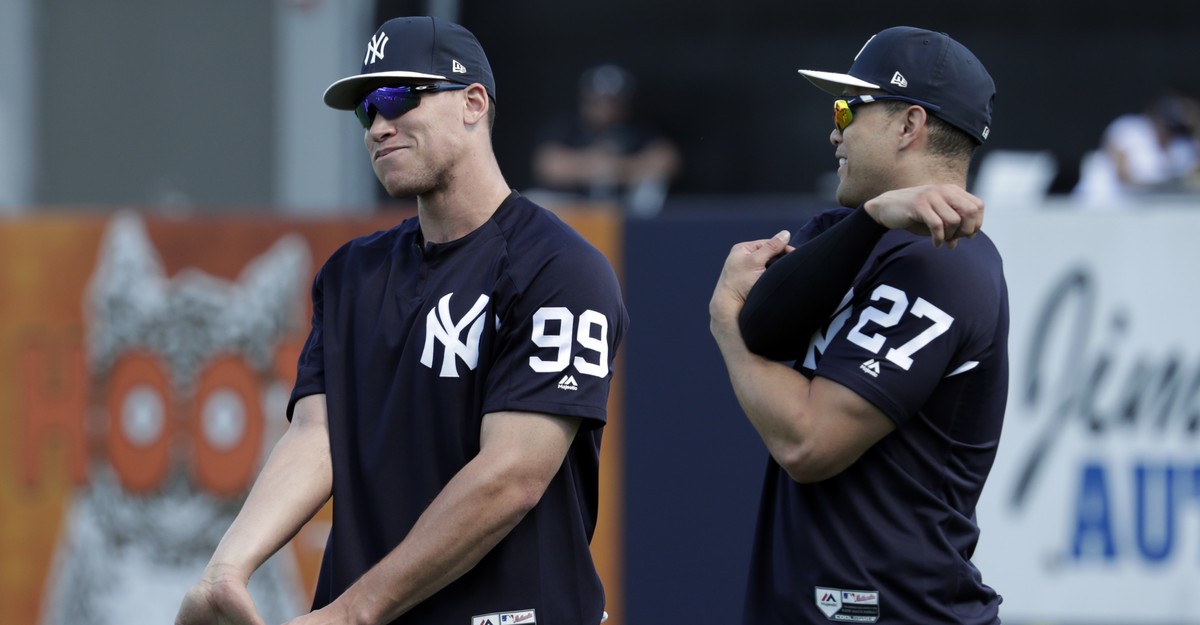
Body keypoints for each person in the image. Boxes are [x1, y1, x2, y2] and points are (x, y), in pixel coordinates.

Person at [175, 15, 626, 625]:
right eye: (367, 108)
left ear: (472, 103)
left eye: (398, 96)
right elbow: (317, 437)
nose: (378, 126)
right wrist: (225, 570)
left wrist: (353, 612)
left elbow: (510, 477)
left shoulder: (561, 268)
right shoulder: (349, 273)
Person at [708, 27, 1008, 624]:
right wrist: (872, 217)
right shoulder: (849, 233)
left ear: (909, 125)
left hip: (897, 612)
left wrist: (722, 319)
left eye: (848, 108)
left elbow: (807, 441)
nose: (834, 130)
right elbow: (766, 329)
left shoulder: (943, 260)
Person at [530, 63, 682, 217]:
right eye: (599, 100)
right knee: (533, 199)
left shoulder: (637, 129)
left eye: (613, 101)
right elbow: (547, 165)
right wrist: (593, 165)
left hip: (624, 207)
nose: (605, 107)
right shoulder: (568, 126)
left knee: (651, 190)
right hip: (577, 205)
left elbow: (667, 161)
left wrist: (618, 167)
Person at [1073, 89, 1200, 203]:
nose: (1165, 130)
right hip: (1099, 203)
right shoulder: (1129, 128)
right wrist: (1159, 185)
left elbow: (1193, 179)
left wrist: (1195, 125)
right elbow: (1122, 175)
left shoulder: (1182, 146)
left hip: (1146, 213)